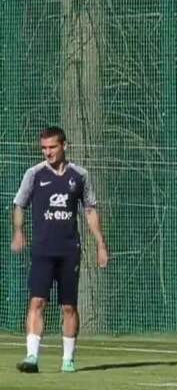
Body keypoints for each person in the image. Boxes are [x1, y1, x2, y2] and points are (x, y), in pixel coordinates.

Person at [10, 126, 109, 373]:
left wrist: (100, 244)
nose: (48, 152)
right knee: (37, 301)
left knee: (68, 306)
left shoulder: (80, 175)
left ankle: (68, 360)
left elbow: (90, 210)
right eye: (44, 148)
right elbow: (19, 204)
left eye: (52, 147)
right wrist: (19, 231)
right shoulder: (34, 174)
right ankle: (32, 357)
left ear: (65, 146)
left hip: (69, 251)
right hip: (42, 250)